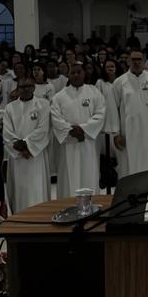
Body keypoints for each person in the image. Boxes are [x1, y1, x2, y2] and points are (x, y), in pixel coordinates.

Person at [50, 63, 106, 199]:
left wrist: (84, 130)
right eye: (73, 72)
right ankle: (68, 207)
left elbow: (100, 114)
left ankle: (91, 208)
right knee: (68, 179)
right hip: (68, 144)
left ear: (84, 73)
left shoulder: (94, 92)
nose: (76, 75)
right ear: (68, 75)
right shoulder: (59, 96)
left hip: (88, 143)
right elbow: (56, 119)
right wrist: (71, 131)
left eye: (78, 72)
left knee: (89, 174)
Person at [106, 51, 148, 176]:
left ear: (143, 61)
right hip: (127, 134)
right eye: (133, 59)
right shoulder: (119, 82)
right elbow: (112, 108)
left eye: (139, 59)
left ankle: (145, 192)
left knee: (147, 165)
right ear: (128, 61)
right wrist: (116, 134)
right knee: (127, 167)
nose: (136, 62)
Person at [3, 77, 51, 213]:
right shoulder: (10, 108)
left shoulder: (43, 104)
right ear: (17, 89)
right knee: (20, 189)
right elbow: (7, 132)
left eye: (29, 86)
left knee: (37, 188)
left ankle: (40, 215)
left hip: (36, 155)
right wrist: (19, 147)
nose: (26, 89)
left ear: (34, 87)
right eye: (23, 87)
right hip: (18, 157)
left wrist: (28, 145)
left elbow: (43, 129)